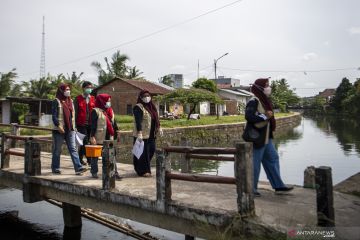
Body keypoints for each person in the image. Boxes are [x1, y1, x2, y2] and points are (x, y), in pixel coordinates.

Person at [245, 78, 293, 196]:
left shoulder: (264, 100)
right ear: (259, 87)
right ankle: (252, 189)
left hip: (267, 137)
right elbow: (249, 116)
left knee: (273, 158)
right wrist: (265, 117)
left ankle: (278, 186)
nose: (268, 88)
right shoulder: (254, 100)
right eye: (266, 85)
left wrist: (266, 116)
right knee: (255, 163)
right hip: (258, 138)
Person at [51, 83, 87, 175]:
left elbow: (72, 116)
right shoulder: (56, 101)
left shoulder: (70, 101)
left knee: (73, 148)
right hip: (59, 130)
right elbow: (54, 116)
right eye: (66, 90)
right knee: (57, 150)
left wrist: (74, 128)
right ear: (61, 91)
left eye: (68, 89)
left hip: (70, 129)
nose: (68, 91)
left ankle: (78, 168)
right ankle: (55, 168)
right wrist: (58, 126)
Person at [89, 94, 121, 179]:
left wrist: (117, 132)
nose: (109, 102)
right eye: (108, 101)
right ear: (102, 101)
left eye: (109, 101)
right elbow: (93, 125)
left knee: (111, 155)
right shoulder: (95, 111)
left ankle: (113, 173)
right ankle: (94, 172)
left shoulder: (110, 110)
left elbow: (114, 123)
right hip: (99, 136)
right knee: (95, 155)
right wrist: (92, 136)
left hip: (109, 136)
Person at [132, 90, 163, 177]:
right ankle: (144, 171)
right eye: (144, 96)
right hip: (142, 134)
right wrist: (139, 133)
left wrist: (159, 127)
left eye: (148, 96)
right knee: (142, 153)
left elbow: (156, 119)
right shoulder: (138, 107)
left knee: (152, 150)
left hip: (151, 134)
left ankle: (140, 167)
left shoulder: (152, 107)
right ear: (141, 98)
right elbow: (138, 121)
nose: (147, 98)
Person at [74, 81, 95, 166]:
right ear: (83, 88)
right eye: (88, 88)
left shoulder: (93, 98)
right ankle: (89, 160)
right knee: (85, 141)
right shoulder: (78, 99)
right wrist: (74, 125)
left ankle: (80, 159)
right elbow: (75, 113)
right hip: (81, 124)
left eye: (90, 88)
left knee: (83, 142)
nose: (89, 89)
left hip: (90, 124)